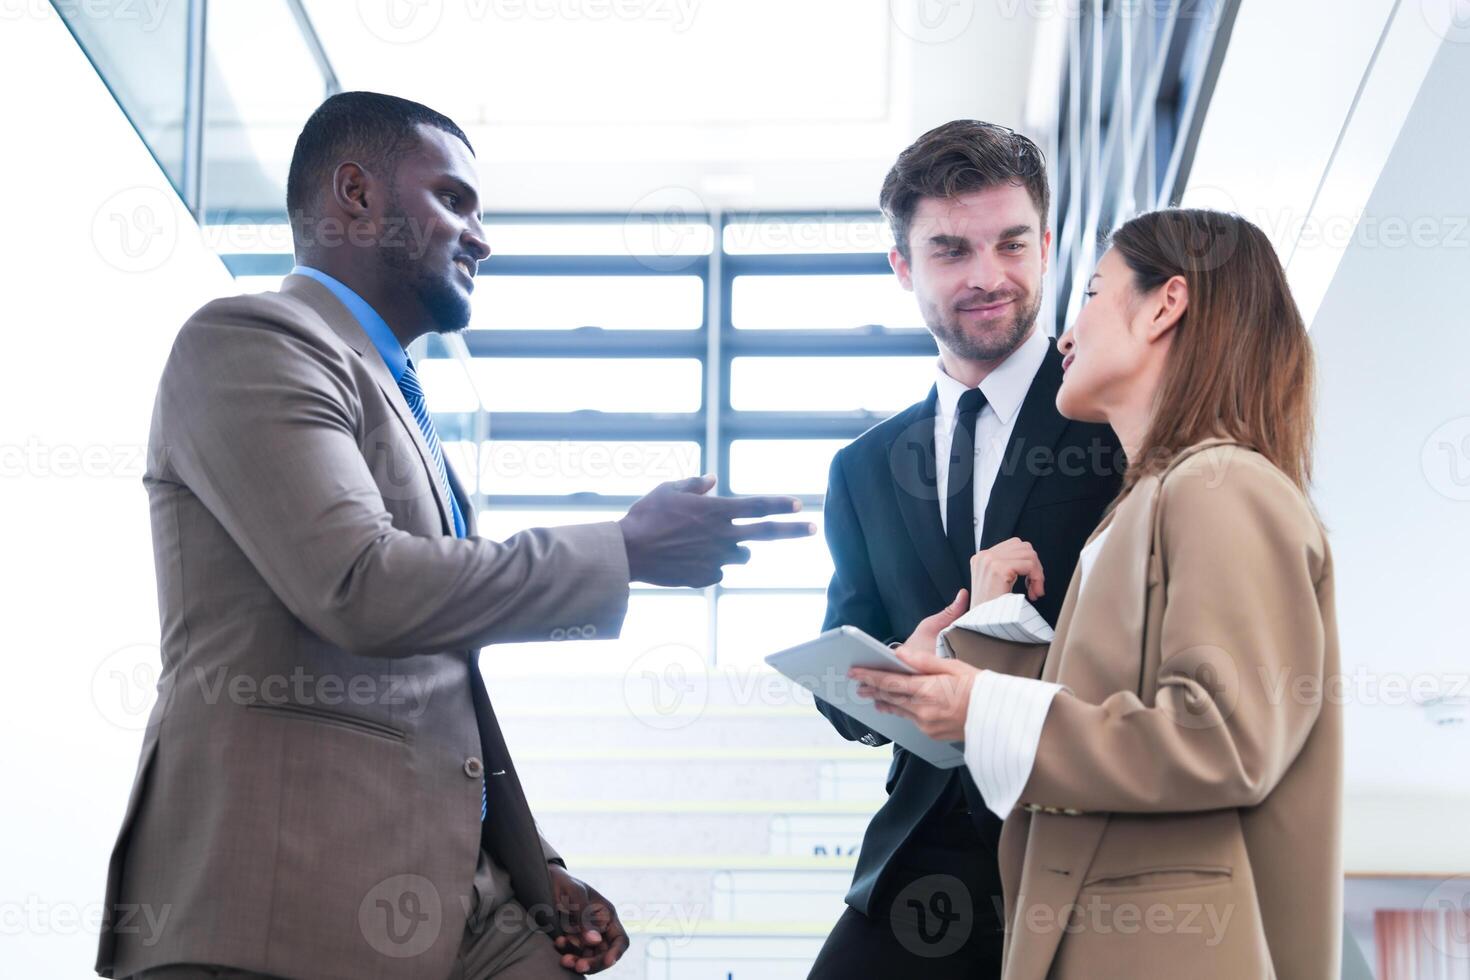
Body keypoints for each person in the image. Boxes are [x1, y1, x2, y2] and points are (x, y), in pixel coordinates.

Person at [96, 91, 813, 980]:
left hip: (461, 903)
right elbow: (361, 587)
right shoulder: (251, 341)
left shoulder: (399, 399)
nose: (482, 237)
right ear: (355, 195)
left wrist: (535, 867)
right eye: (455, 201)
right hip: (283, 909)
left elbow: (444, 678)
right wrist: (622, 549)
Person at [853, 208, 1341, 978]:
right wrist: (982, 636)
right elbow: (1109, 716)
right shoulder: (1151, 501)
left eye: (1091, 290)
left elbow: (1223, 740)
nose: (1066, 332)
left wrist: (979, 704)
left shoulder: (1221, 484)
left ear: (1164, 304)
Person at [807, 120, 1122, 978]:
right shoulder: (864, 469)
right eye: (950, 251)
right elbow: (840, 694)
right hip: (922, 856)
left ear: (1047, 247)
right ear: (903, 268)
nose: (987, 277)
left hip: (1081, 842)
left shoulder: (1116, 420)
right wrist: (897, 672)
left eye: (1011, 244)